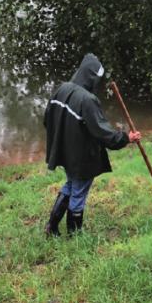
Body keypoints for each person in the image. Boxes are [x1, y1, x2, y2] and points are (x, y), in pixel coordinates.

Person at [43, 53, 140, 236]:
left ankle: (52, 226)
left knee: (71, 185)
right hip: (80, 158)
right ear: (91, 77)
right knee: (78, 192)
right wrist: (127, 138)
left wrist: (59, 140)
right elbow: (103, 133)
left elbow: (47, 118)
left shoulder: (61, 89)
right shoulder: (87, 100)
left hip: (64, 152)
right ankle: (75, 235)